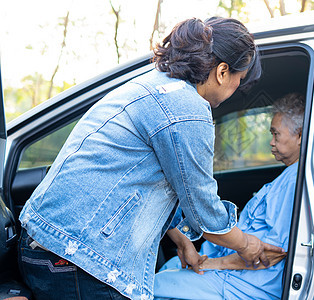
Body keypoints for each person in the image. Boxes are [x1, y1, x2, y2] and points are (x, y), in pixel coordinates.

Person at [17, 17, 284, 300]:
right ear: (221, 72)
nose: (235, 90)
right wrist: (246, 245)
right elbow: (204, 209)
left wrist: (181, 239)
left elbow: (140, 176)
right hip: (79, 259)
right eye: (238, 80)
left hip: (48, 244)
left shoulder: (154, 85)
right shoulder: (188, 109)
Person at [153, 93, 305, 300]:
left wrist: (214, 265)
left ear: (300, 136)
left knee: (154, 288)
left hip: (244, 281)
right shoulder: (288, 175)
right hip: (232, 267)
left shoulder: (293, 180)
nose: (271, 142)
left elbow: (276, 251)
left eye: (276, 134)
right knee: (169, 268)